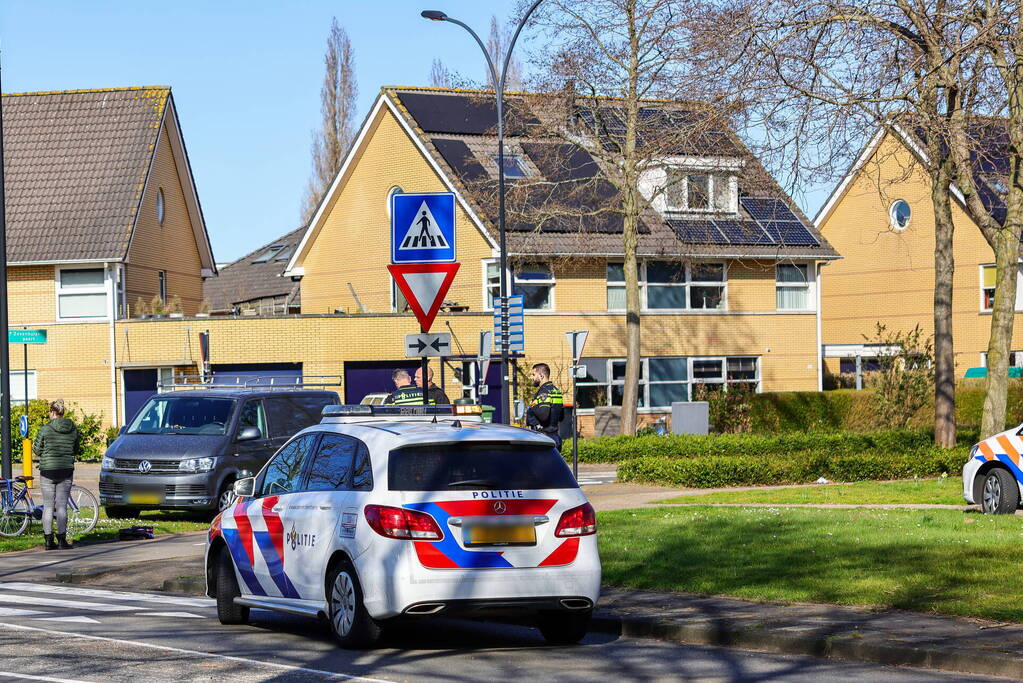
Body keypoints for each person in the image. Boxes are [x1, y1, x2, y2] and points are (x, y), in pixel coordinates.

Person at [34, 399, 81, 550]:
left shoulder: (45, 429)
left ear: (53, 412)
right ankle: (62, 540)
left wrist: (45, 454)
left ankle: (48, 541)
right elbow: (76, 448)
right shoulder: (72, 428)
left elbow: (36, 449)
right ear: (63, 412)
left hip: (47, 471)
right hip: (66, 471)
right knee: (61, 506)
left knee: (48, 506)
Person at [526, 363, 565, 448]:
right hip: (554, 438)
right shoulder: (556, 391)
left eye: (533, 375)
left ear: (541, 376)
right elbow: (561, 417)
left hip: (543, 439)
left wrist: (533, 405)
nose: (532, 378)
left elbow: (543, 416)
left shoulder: (544, 392)